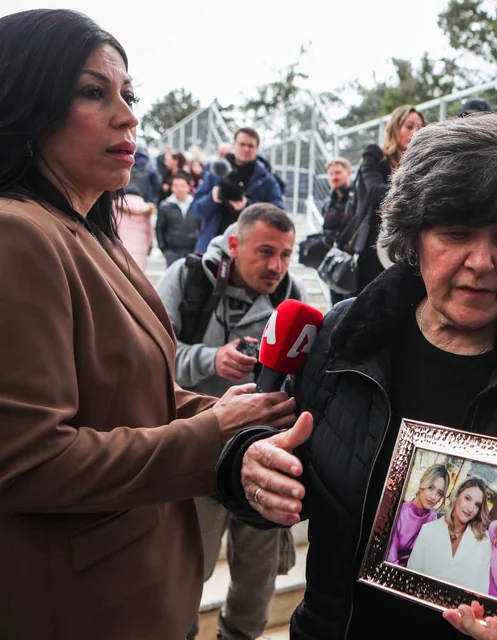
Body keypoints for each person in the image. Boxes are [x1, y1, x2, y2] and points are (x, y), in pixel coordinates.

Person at [214, 113, 497, 639]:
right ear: (414, 235)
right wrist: (247, 467)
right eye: (456, 233)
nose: (481, 261)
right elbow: (272, 449)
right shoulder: (348, 334)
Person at [0, 10, 297, 639]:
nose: (128, 116)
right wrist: (208, 433)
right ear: (26, 100)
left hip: (148, 583)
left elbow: (139, 394)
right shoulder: (17, 234)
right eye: (93, 92)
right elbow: (29, 461)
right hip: (87, 605)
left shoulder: (90, 234)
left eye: (128, 95)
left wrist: (231, 419)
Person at [157, 203, 304, 640]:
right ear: (234, 244)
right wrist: (211, 358)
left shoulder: (288, 293)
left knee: (256, 583)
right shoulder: (189, 279)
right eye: (264, 252)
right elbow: (149, 357)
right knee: (185, 575)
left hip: (261, 456)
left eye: (285, 255)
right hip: (198, 452)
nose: (276, 266)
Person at [336, 105, 425, 295]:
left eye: (420, 127)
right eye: (409, 126)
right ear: (395, 127)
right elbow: (375, 191)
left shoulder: (422, 164)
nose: (415, 132)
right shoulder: (375, 155)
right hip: (370, 245)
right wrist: (417, 193)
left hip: (403, 245)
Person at [191, 126, 285, 253]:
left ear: (257, 149)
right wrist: (212, 198)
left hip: (250, 248)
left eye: (250, 146)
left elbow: (279, 214)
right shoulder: (215, 173)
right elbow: (195, 210)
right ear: (234, 145)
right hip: (214, 247)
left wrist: (248, 206)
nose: (246, 149)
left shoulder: (266, 180)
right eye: (242, 144)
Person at [408, 478, 492, 594]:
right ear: (457, 496)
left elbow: (482, 591)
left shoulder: (483, 541)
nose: (471, 508)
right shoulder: (428, 531)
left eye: (477, 505)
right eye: (467, 499)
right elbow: (411, 577)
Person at [386, 463, 450, 567]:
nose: (433, 496)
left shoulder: (433, 518)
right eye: (430, 487)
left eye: (439, 493)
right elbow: (391, 560)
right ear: (422, 483)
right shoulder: (399, 513)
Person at [321, 156, 353, 304]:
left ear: (349, 173)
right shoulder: (328, 202)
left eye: (338, 172)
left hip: (350, 261)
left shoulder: (356, 198)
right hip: (333, 259)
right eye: (331, 173)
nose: (334, 177)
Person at [155, 171, 198, 266]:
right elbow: (159, 228)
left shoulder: (195, 205)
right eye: (176, 185)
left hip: (192, 250)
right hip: (172, 251)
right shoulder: (165, 206)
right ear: (172, 187)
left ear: (188, 187)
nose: (179, 189)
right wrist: (162, 248)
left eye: (182, 185)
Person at [116, 184, 157, 271]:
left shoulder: (117, 206)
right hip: (141, 248)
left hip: (122, 247)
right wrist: (147, 246)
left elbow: (114, 227)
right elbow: (150, 232)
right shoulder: (146, 209)